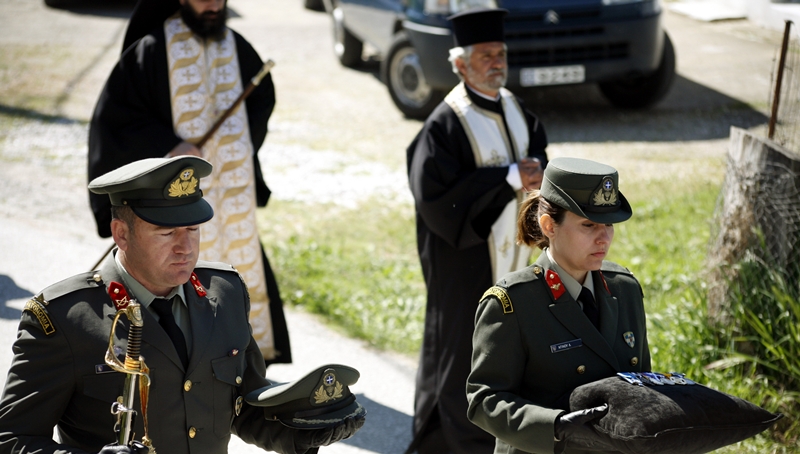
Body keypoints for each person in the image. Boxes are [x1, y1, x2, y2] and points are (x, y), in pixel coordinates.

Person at [0, 156, 364, 454]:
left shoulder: (225, 292)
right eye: (166, 233)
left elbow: (243, 408)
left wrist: (304, 430)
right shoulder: (63, 319)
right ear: (121, 234)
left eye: (193, 230)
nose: (185, 247)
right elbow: (12, 438)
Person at [87, 0, 291, 367]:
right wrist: (164, 145)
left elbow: (262, 95)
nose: (213, 4)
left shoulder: (236, 46)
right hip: (172, 198)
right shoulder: (153, 48)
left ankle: (245, 359)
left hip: (231, 191)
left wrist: (241, 142)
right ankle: (181, 360)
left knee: (241, 262)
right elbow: (116, 118)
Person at [405, 7, 549, 454]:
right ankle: (458, 444)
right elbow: (437, 203)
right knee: (461, 356)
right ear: (460, 64)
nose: (496, 62)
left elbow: (538, 157)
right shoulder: (445, 124)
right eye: (485, 54)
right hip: (464, 261)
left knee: (509, 351)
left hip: (515, 258)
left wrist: (536, 174)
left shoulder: (515, 107)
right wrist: (507, 177)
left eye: (500, 52)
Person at [465, 157, 651, 454]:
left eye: (608, 224)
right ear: (549, 225)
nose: (604, 238)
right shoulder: (512, 302)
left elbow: (641, 384)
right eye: (588, 225)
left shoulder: (624, 289)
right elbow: (484, 400)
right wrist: (554, 425)